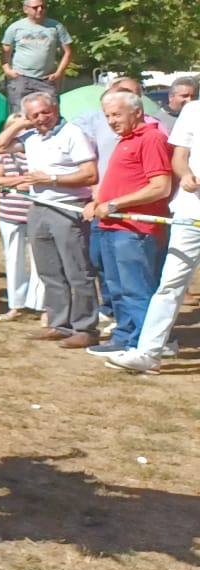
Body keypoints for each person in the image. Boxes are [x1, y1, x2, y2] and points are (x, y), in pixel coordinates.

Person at [0, 92, 98, 347]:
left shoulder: (73, 133)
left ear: (55, 108)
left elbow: (90, 174)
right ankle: (59, 323)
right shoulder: (30, 137)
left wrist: (50, 179)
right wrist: (19, 124)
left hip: (67, 206)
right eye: (34, 115)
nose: (41, 118)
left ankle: (85, 328)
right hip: (38, 207)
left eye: (45, 112)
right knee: (49, 270)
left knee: (77, 271)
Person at [112, 79, 200, 373]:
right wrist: (185, 174)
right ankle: (149, 353)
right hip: (190, 214)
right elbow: (179, 155)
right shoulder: (192, 111)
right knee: (170, 284)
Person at [86, 88, 174, 362]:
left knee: (137, 289)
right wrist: (98, 201)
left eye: (117, 114)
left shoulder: (152, 138)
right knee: (117, 287)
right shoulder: (125, 140)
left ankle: (147, 345)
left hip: (135, 230)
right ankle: (124, 337)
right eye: (108, 115)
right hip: (111, 227)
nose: (112, 120)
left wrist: (114, 205)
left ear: (137, 112)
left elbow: (160, 187)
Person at [0, 142, 45, 320]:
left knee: (41, 260)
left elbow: (43, 179)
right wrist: (22, 181)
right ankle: (16, 305)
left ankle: (41, 305)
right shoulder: (4, 155)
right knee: (13, 260)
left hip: (36, 213)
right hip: (9, 215)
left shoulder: (39, 153)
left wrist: (14, 182)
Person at [1, 0, 73, 112]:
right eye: (35, 7)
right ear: (26, 9)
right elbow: (5, 51)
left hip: (46, 80)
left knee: (50, 114)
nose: (40, 10)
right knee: (19, 116)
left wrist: (59, 73)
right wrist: (7, 70)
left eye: (42, 7)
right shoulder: (15, 27)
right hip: (21, 79)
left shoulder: (56, 27)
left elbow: (68, 52)